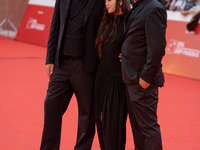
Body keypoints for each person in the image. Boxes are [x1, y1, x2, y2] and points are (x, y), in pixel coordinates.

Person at [39, 0, 104, 150]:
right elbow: (55, 25)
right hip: (61, 63)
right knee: (51, 106)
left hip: (86, 65)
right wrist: (50, 58)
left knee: (87, 115)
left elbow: (110, 25)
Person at [121, 0, 167, 149]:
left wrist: (146, 78)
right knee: (138, 129)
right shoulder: (138, 7)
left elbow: (158, 47)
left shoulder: (154, 8)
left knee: (148, 128)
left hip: (142, 80)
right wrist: (127, 55)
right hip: (131, 77)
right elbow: (138, 39)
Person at [94, 0, 130, 150]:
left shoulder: (130, 21)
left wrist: (131, 55)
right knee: (101, 125)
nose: (106, 3)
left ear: (120, 2)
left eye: (109, 0)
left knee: (113, 127)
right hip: (100, 80)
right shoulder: (105, 20)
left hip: (117, 82)